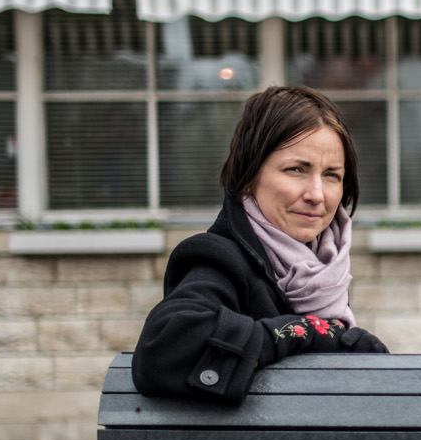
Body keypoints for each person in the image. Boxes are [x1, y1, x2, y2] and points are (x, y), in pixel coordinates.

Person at [132, 85, 388, 404]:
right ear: (250, 174)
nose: (317, 194)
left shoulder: (320, 269)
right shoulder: (219, 260)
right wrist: (302, 332)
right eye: (296, 169)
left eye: (332, 175)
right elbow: (163, 348)